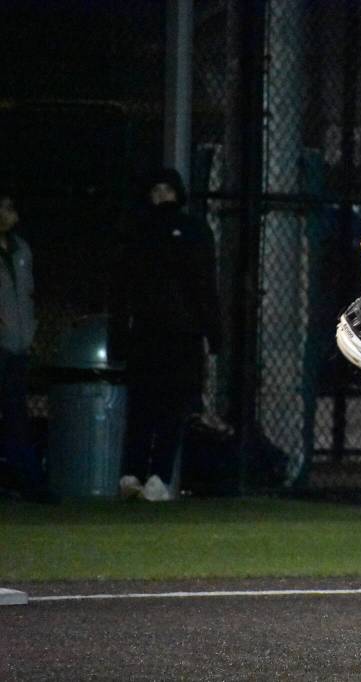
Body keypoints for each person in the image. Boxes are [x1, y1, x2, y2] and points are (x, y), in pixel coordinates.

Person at [110, 169, 222, 502]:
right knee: (172, 409)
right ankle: (157, 476)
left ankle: (131, 472)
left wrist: (118, 335)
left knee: (142, 406)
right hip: (181, 334)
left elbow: (119, 289)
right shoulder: (193, 231)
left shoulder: (135, 231)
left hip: (145, 331)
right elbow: (205, 286)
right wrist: (213, 334)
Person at [0, 190, 47, 501]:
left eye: (8, 208)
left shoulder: (21, 250)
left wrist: (28, 333)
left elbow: (28, 296)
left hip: (15, 346)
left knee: (16, 415)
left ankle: (28, 483)